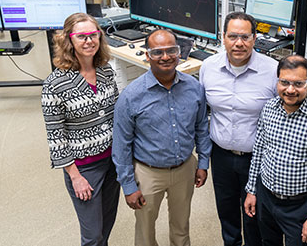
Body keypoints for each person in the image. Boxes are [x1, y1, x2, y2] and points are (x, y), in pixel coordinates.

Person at [112, 29, 211, 246]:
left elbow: (202, 126)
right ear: (147, 55)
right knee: (145, 234)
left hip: (185, 169)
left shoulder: (194, 88)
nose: (165, 57)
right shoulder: (131, 96)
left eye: (171, 51)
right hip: (148, 174)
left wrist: (203, 163)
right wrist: (129, 186)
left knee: (181, 228)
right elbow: (121, 146)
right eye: (157, 52)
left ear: (179, 53)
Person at [41, 12, 120, 246]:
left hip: (112, 163)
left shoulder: (106, 72)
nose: (89, 41)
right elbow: (56, 137)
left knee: (106, 226)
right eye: (82, 36)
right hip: (85, 169)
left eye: (93, 35)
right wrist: (75, 177)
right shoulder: (55, 84)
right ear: (69, 40)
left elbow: (116, 116)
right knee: (92, 235)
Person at [244, 55, 307, 246]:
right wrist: (252, 191)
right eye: (284, 82)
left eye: (298, 84)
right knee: (268, 242)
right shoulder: (269, 108)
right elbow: (259, 152)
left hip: (298, 206)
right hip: (266, 197)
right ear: (277, 80)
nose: (290, 90)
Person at [199, 11, 278, 246]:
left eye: (245, 37)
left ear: (255, 38)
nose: (239, 43)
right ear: (223, 37)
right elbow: (202, 115)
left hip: (257, 159)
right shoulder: (208, 67)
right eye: (233, 36)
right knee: (226, 211)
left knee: (255, 216)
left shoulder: (272, 71)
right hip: (220, 155)